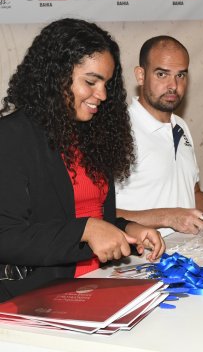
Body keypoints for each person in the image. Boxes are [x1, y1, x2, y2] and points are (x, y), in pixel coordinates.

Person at [0, 18, 165, 303]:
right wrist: (86, 230)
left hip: (97, 284)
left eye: (106, 84)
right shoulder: (12, 137)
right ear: (55, 75)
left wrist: (127, 231)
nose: (101, 95)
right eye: (90, 82)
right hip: (38, 301)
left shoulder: (92, 135)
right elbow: (7, 236)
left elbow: (90, 216)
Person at [116, 35, 203, 235]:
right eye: (162, 74)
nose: (173, 85)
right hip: (139, 261)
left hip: (186, 258)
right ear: (140, 75)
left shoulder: (180, 126)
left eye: (181, 75)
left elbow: (192, 196)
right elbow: (98, 214)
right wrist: (167, 217)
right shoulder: (118, 131)